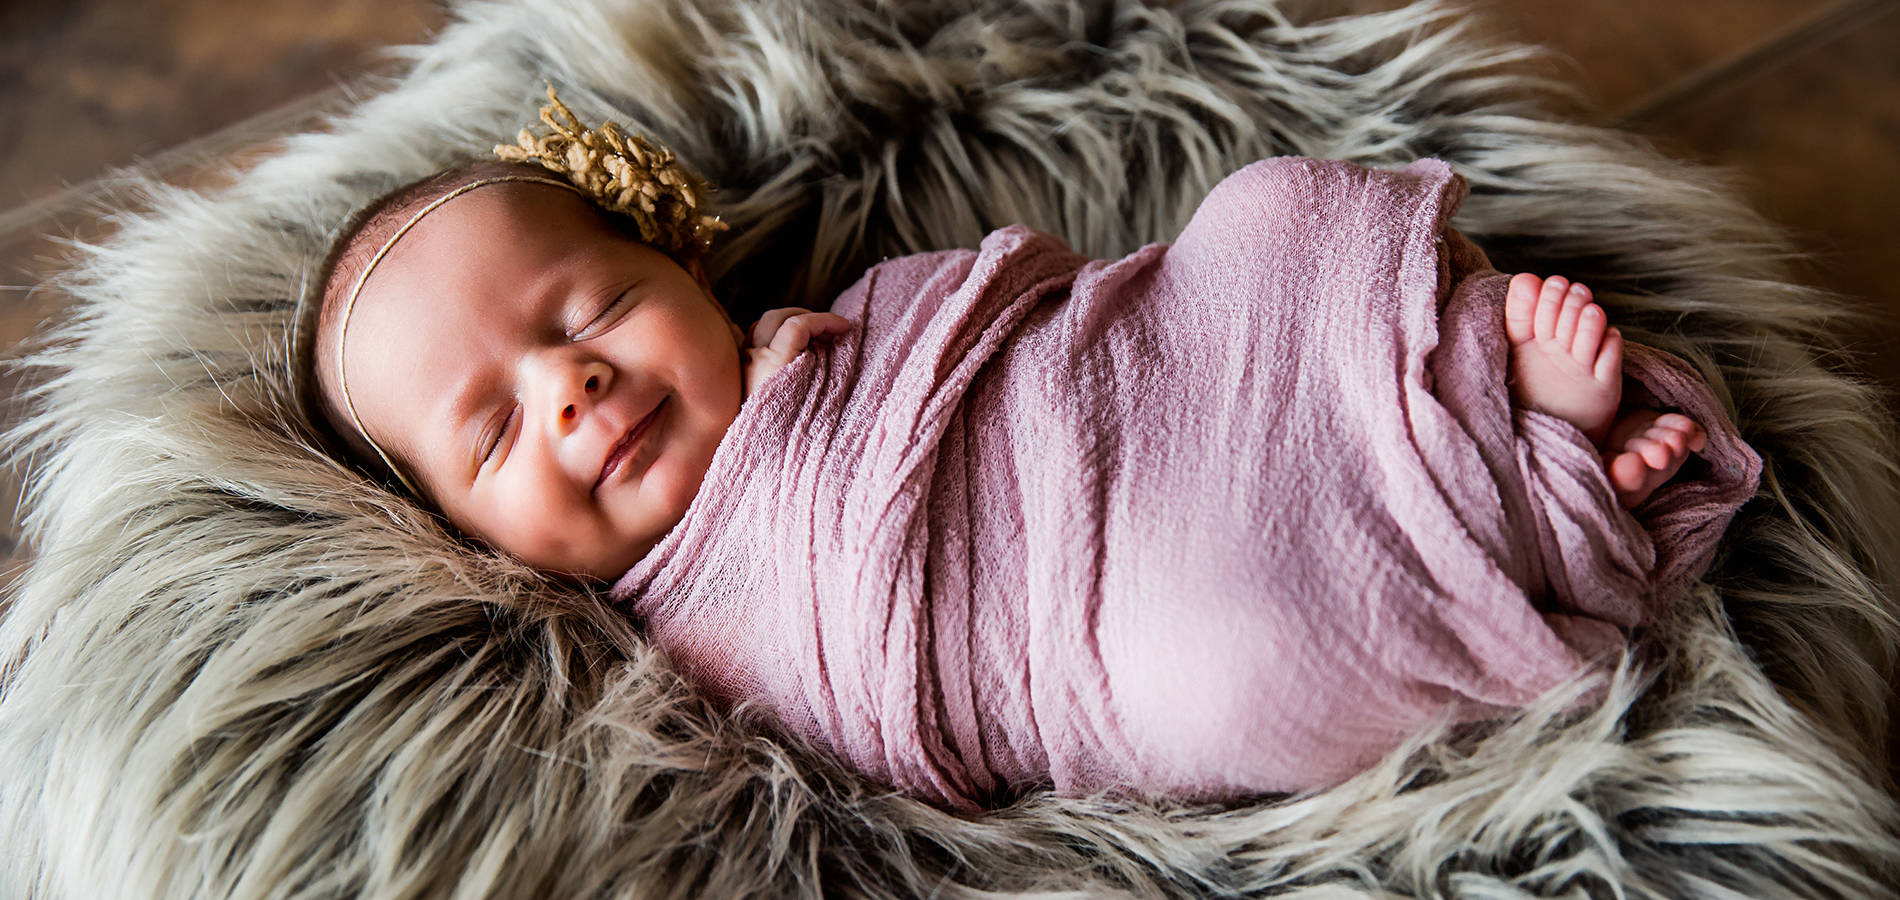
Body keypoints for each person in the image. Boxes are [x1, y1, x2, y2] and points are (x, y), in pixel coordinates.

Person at [304, 91, 1748, 809]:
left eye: (599, 306)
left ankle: (1468, 390)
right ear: (461, 539)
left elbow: (1045, 323)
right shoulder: (662, 660)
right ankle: (1542, 498)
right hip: (1084, 625)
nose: (575, 385)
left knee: (1265, 219)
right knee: (1242, 676)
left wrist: (851, 355)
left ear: (684, 273)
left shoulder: (818, 339)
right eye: (495, 428)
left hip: (1129, 400)